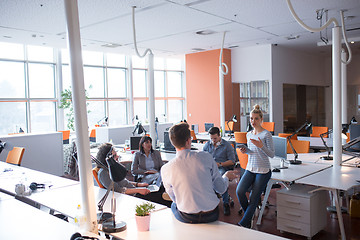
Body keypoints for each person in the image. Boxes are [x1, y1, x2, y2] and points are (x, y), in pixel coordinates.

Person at [161, 122, 236, 223]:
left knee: (174, 204)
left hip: (187, 217)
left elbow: (174, 197)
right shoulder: (206, 157)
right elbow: (221, 189)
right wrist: (226, 176)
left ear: (172, 142)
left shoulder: (166, 169)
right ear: (189, 140)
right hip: (211, 214)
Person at [96, 143, 171, 207]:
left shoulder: (112, 168)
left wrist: (138, 184)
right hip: (133, 196)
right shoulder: (103, 173)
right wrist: (139, 190)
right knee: (163, 198)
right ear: (107, 158)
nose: (117, 156)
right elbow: (119, 190)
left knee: (161, 187)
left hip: (135, 190)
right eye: (114, 155)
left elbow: (124, 182)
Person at [236, 104, 274, 228]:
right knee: (239, 191)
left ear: (261, 119)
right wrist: (245, 151)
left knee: (254, 197)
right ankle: (249, 214)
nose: (253, 121)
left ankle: (244, 223)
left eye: (256, 118)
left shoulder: (266, 134)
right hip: (250, 168)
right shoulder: (249, 134)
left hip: (263, 170)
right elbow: (252, 153)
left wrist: (261, 145)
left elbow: (272, 154)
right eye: (251, 118)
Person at [203, 126, 236, 216]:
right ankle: (209, 201)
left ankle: (226, 203)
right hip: (210, 167)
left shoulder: (227, 146)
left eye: (215, 138)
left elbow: (232, 161)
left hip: (222, 167)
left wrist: (220, 164)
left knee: (220, 178)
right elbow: (203, 157)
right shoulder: (207, 145)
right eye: (211, 138)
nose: (213, 141)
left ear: (219, 136)